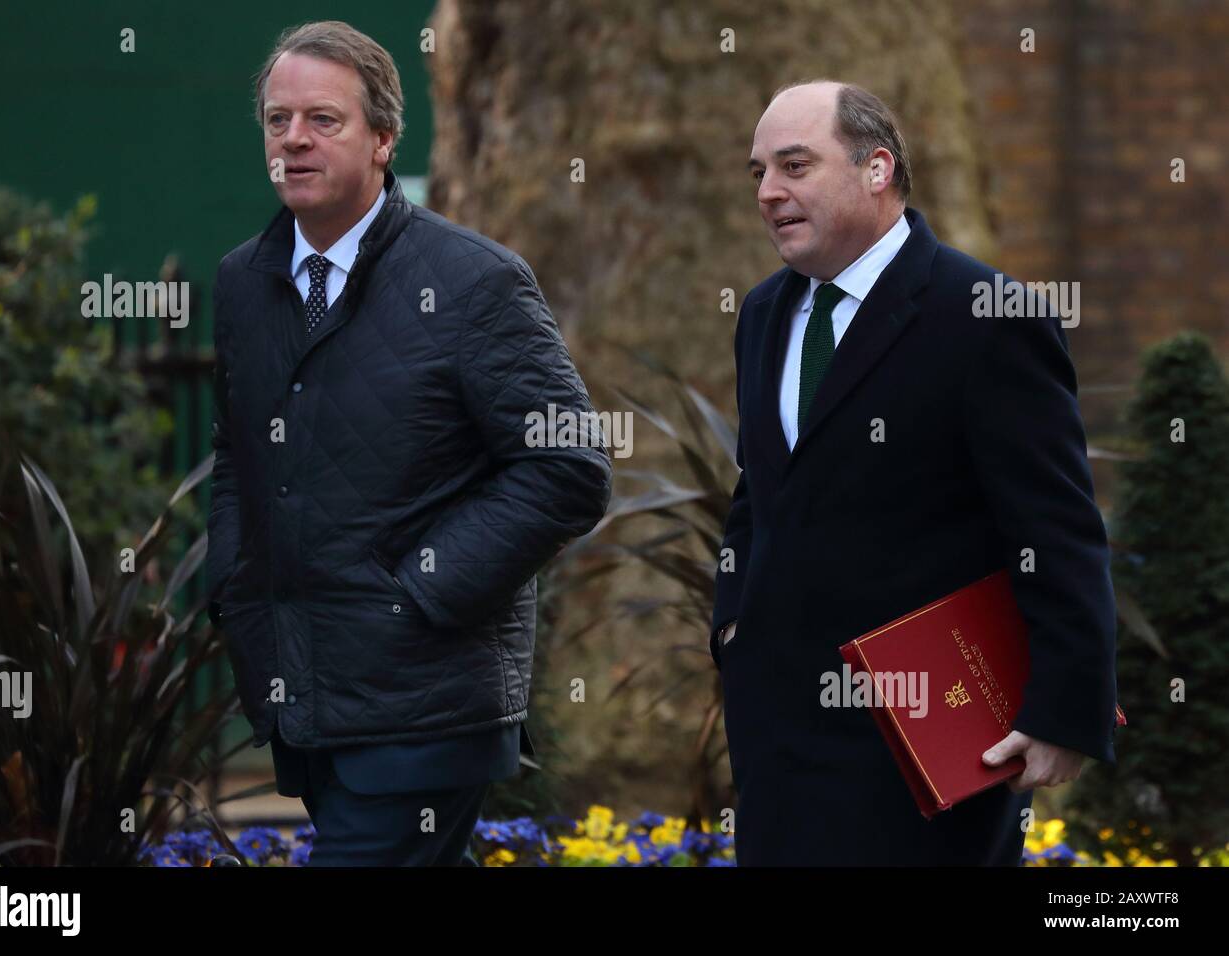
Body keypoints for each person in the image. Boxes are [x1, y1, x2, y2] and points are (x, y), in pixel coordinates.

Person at [205, 20, 611, 866]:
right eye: (278, 121)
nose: (294, 140)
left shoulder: (475, 280)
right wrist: (237, 593)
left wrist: (419, 593)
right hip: (302, 689)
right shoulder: (244, 281)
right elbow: (239, 459)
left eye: (324, 119)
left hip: (426, 704)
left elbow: (568, 465)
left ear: (385, 138)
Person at [712, 80, 1119, 865]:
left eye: (794, 166)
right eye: (757, 172)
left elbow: (1057, 527)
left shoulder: (986, 315)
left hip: (927, 739)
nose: (768, 192)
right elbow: (760, 490)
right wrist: (734, 627)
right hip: (777, 731)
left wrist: (1067, 710)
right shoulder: (764, 312)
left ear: (877, 169)